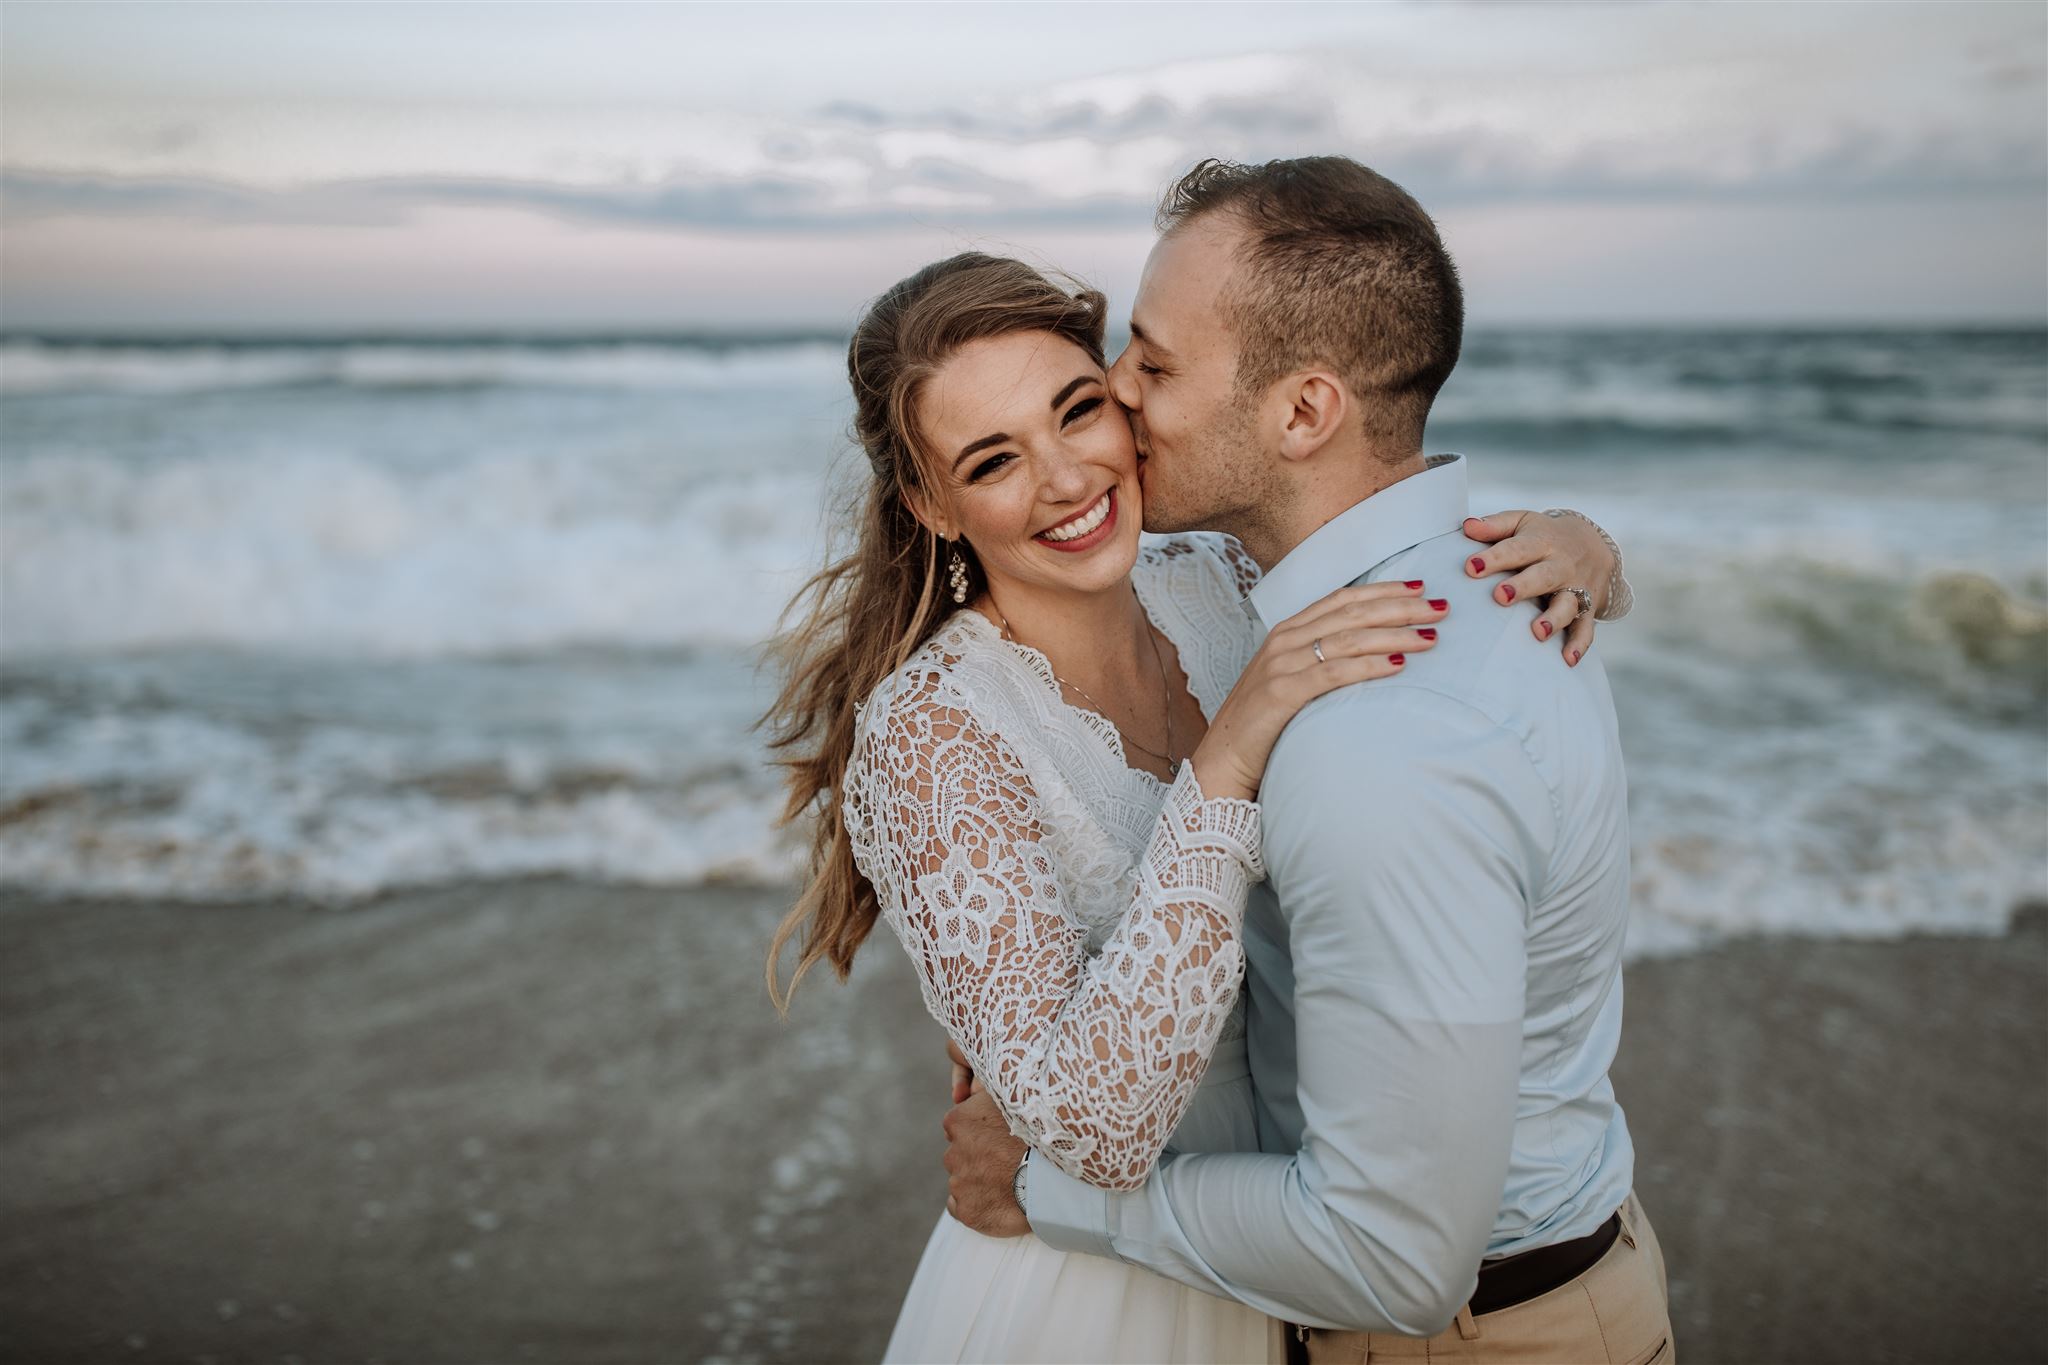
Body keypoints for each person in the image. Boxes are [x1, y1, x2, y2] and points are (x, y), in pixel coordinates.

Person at [762, 246, 1629, 1359]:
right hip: (1096, 1288)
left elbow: (1386, 537)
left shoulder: (1218, 584)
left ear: (1126, 401)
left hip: (1288, 1238)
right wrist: (1221, 767)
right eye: (993, 462)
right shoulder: (931, 736)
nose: (1066, 480)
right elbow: (1096, 1134)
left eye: (1077, 410)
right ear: (931, 505)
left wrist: (1583, 547)